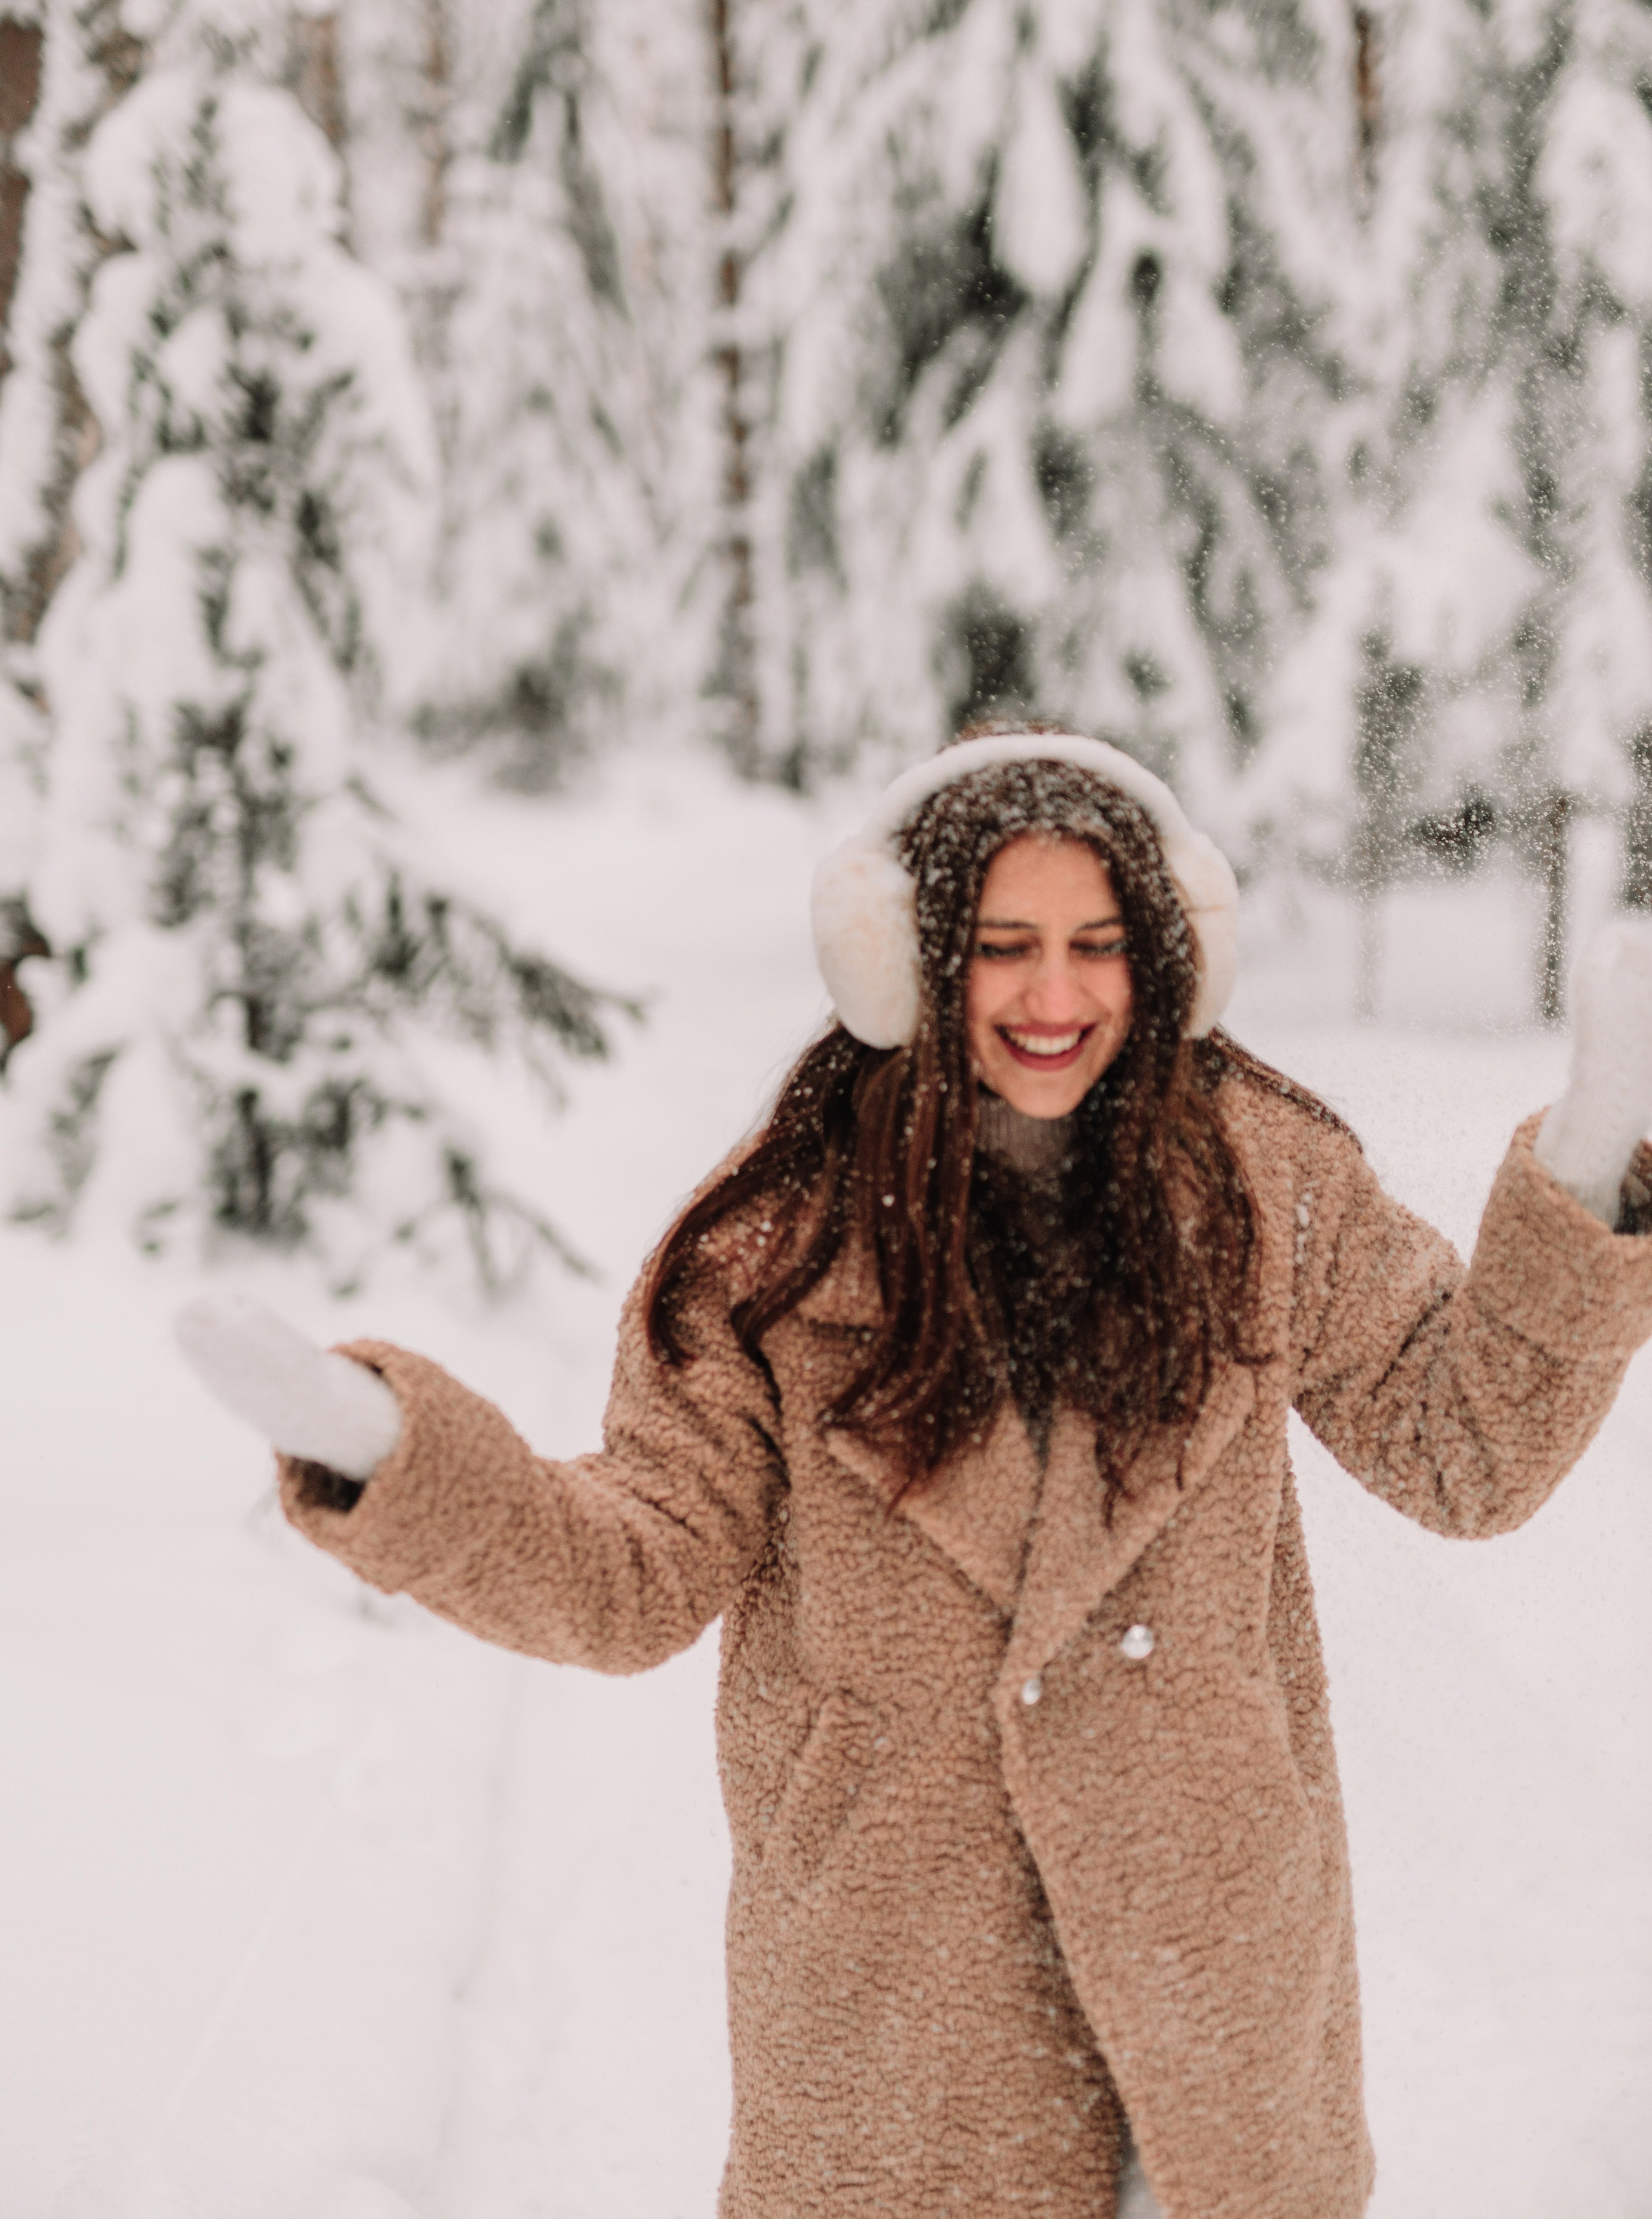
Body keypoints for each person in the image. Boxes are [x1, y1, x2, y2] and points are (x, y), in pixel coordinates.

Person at [179, 730, 1652, 2219]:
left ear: (1167, 956)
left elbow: (1464, 1452)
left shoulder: (1262, 1186)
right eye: (1001, 946)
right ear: (901, 959)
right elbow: (630, 1576)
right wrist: (396, 1458)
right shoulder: (772, 1253)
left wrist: (1588, 1169)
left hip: (1208, 2000)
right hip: (901, 2021)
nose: (1054, 995)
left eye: (1096, 945)